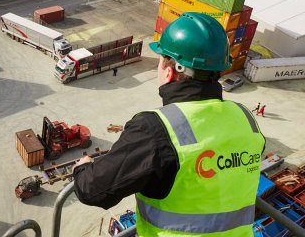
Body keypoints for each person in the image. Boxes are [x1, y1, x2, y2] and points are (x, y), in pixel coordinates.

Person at [73, 12, 266, 236]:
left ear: (169, 71)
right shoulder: (246, 118)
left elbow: (93, 190)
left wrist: (83, 167)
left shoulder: (156, 128)